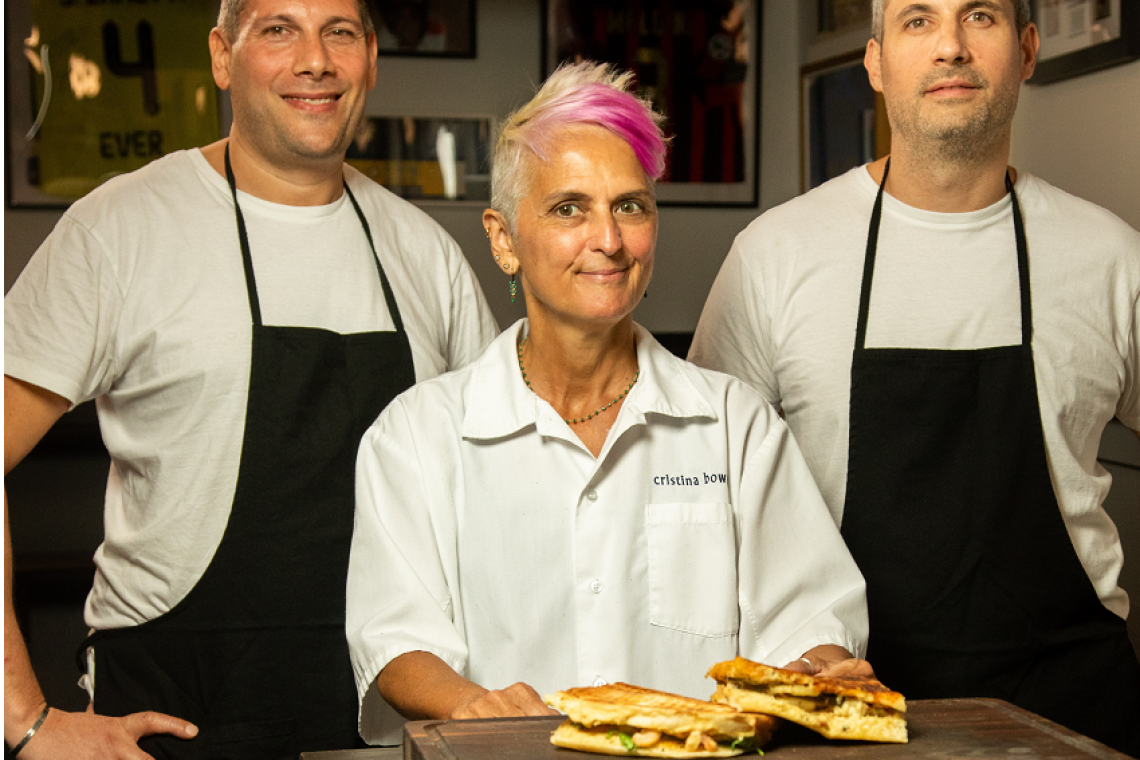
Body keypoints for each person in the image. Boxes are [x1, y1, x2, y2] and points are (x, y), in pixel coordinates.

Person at [3, 0, 496, 756]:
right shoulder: (122, 230)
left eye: (339, 32)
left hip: (385, 730)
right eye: (278, 29)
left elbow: (499, 494)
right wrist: (24, 719)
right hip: (175, 719)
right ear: (221, 57)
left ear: (371, 55)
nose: (314, 60)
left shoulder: (426, 256)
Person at [345, 61, 871, 746]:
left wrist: (822, 669)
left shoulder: (736, 427)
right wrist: (471, 703)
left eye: (631, 205)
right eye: (570, 208)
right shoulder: (416, 437)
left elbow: (811, 616)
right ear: (504, 240)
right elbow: (395, 636)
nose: (610, 240)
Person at [688, 0, 1140, 754]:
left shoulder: (1112, 259)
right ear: (875, 61)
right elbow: (705, 489)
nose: (951, 48)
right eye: (918, 21)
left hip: (1075, 707)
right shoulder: (776, 257)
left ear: (1027, 50)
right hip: (845, 700)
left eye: (982, 17)